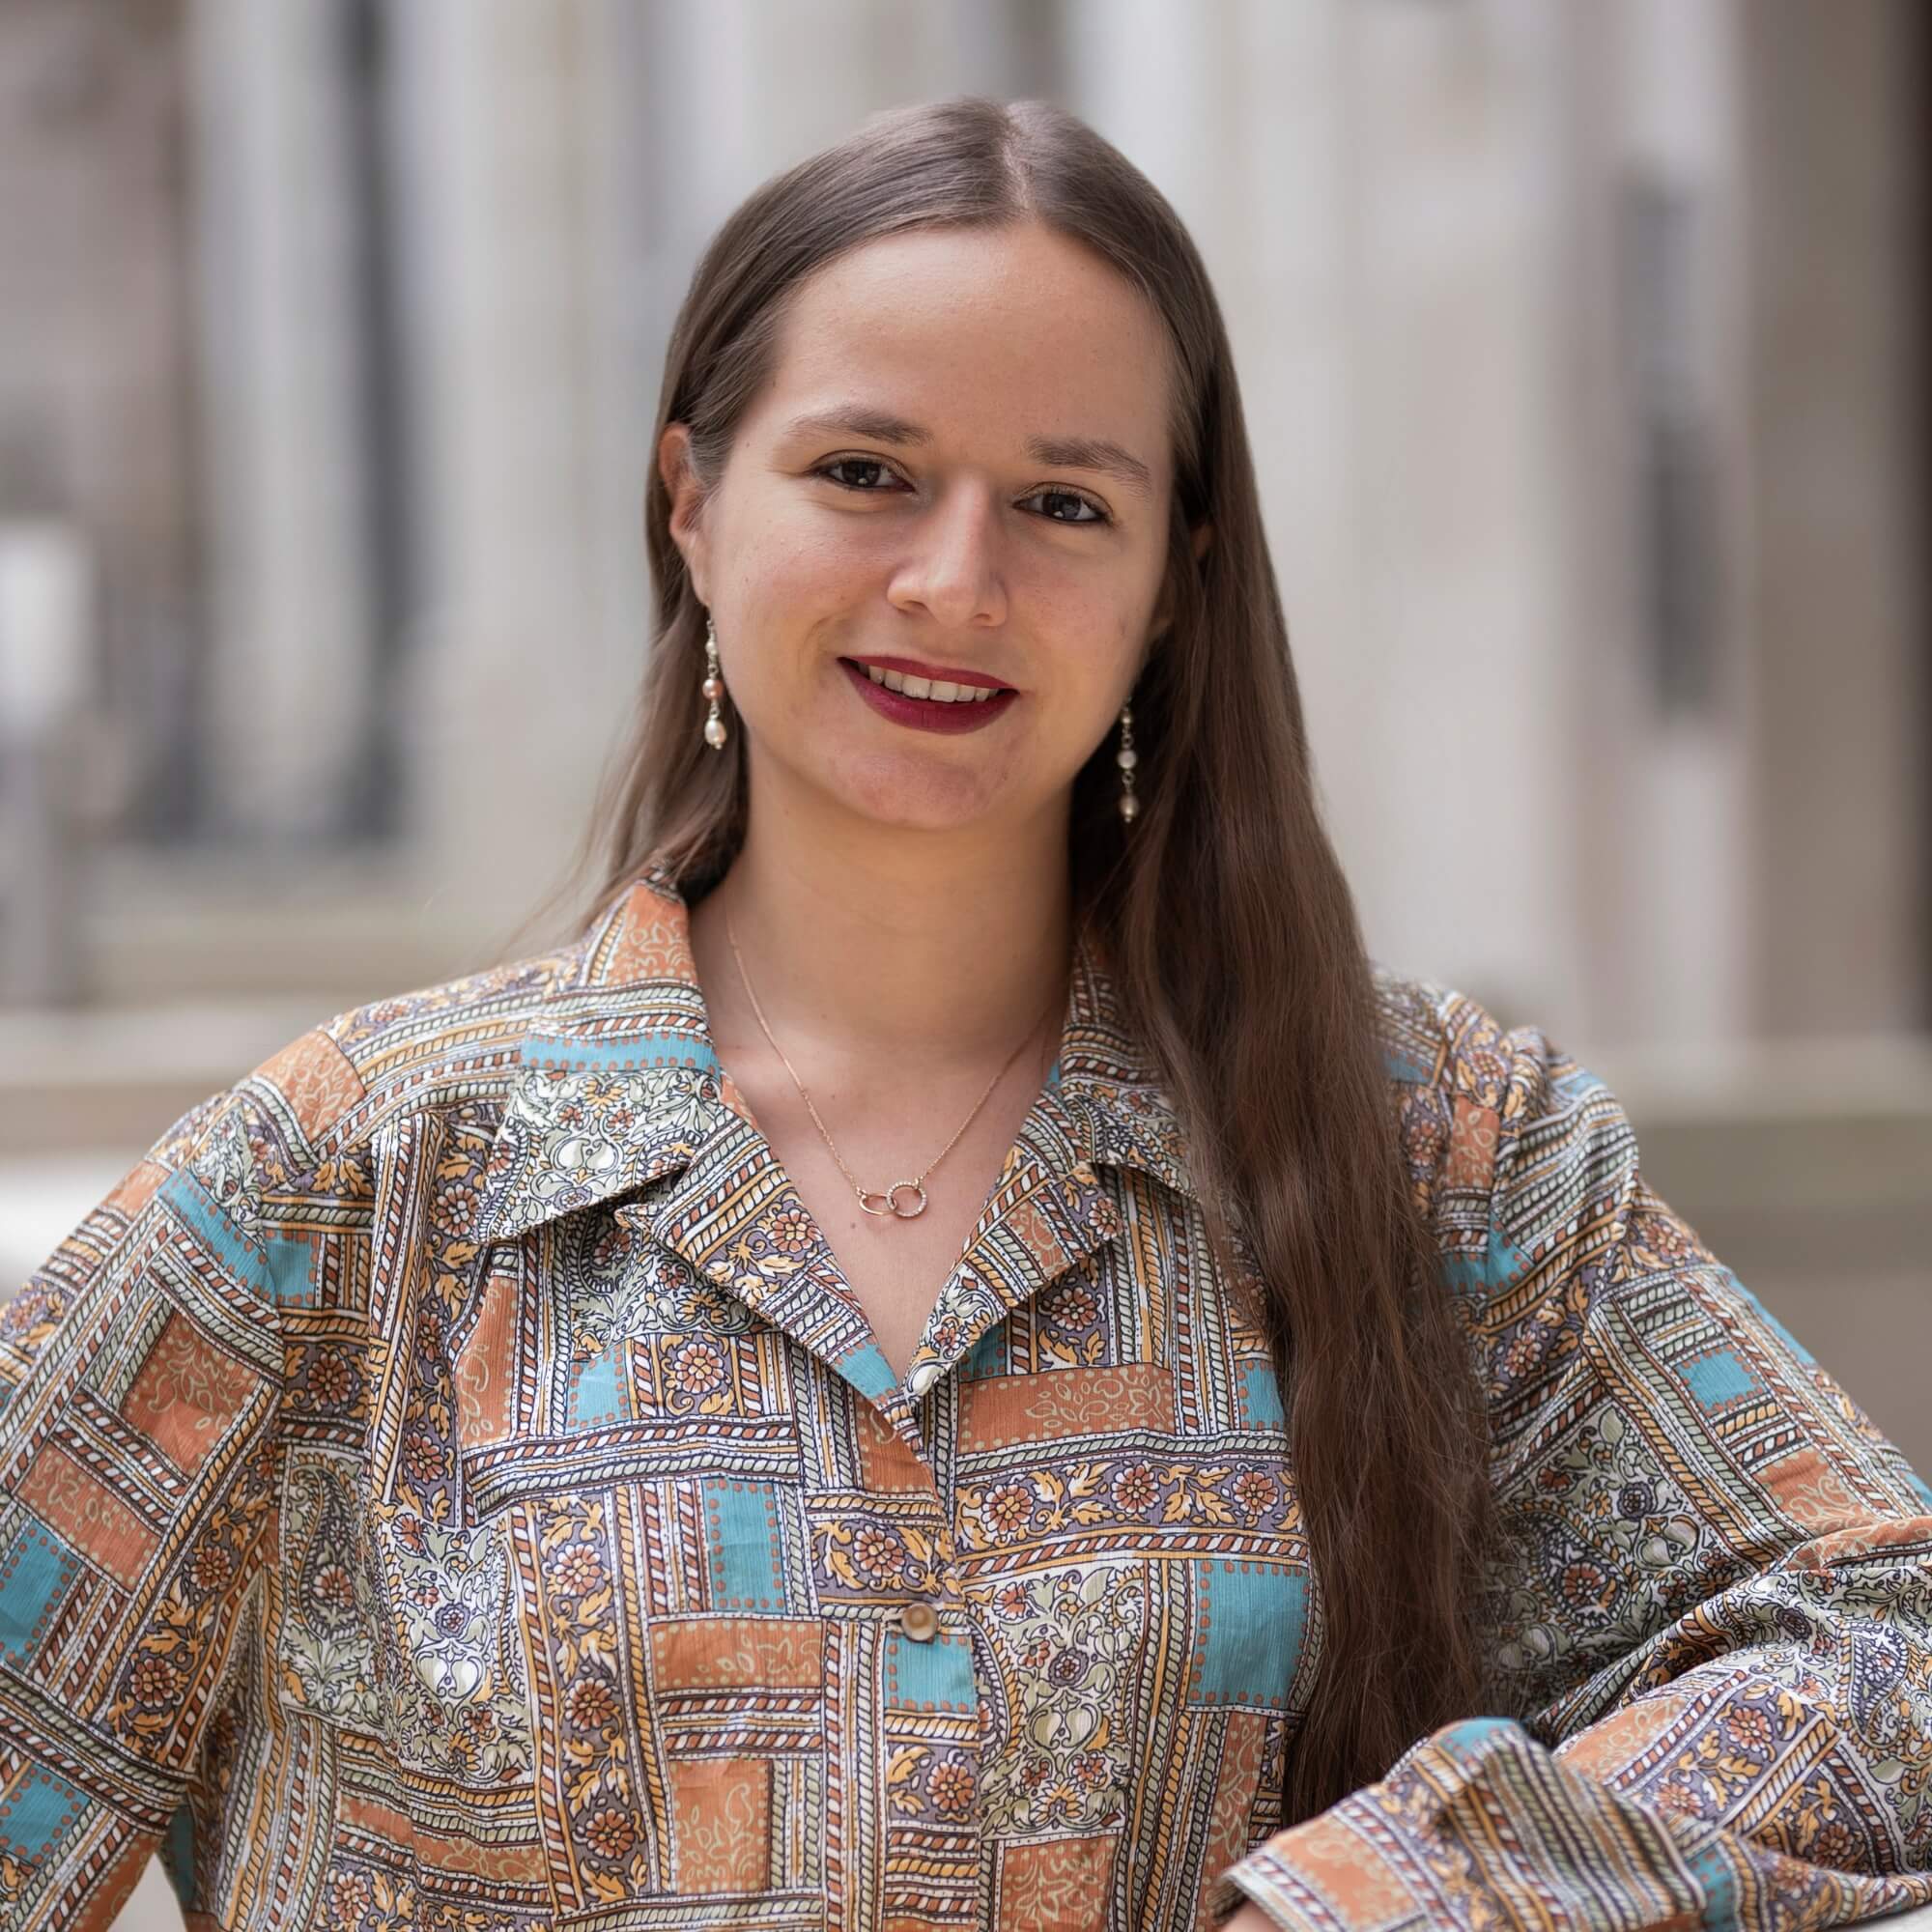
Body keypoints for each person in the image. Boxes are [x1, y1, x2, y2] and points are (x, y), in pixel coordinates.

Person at [0, 95, 1927, 1932]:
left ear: (1170, 582)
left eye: (1064, 503)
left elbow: (1886, 1643)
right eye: (866, 473)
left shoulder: (1440, 1152)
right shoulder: (342, 1190)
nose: (954, 580)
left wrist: (1397, 1895)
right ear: (691, 502)